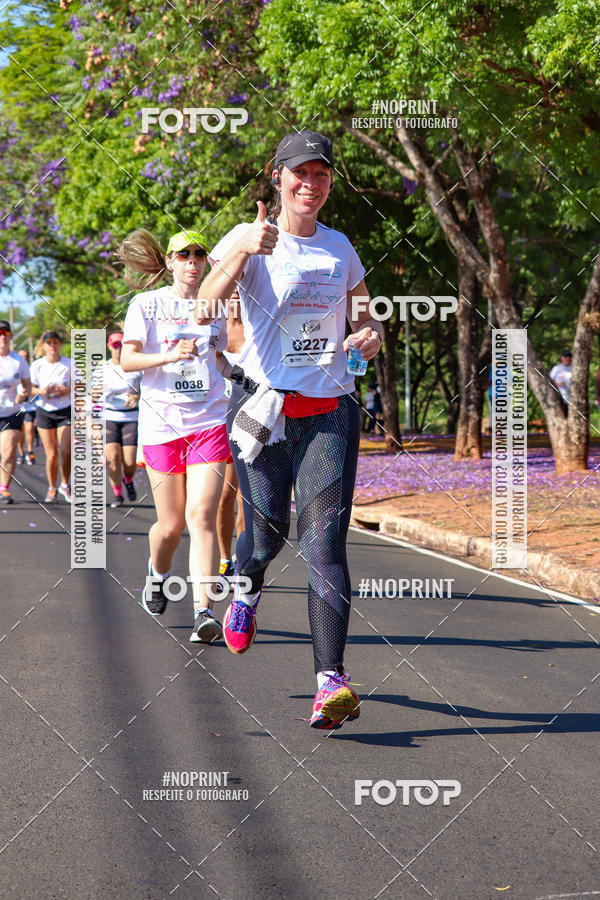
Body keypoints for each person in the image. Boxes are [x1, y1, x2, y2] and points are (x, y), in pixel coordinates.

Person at [198, 129, 383, 729]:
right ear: (277, 178)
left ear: (330, 183)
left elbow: (363, 315)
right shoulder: (249, 238)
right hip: (262, 412)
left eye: (321, 175)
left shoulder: (339, 248)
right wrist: (243, 250)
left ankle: (330, 682)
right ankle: (245, 588)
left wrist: (367, 336)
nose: (310, 184)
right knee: (266, 536)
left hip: (329, 411)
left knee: (324, 544)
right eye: (299, 173)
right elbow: (204, 303)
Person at [119, 229, 230, 644]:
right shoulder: (147, 304)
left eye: (199, 254)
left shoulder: (215, 306)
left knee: (201, 516)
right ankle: (158, 573)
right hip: (162, 425)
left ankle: (204, 612)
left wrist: (236, 372)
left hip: (207, 422)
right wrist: (170, 354)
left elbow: (221, 356)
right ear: (169, 262)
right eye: (183, 255)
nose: (192, 261)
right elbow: (129, 359)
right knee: (169, 526)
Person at [90, 330, 142, 508]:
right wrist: (99, 391)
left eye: (121, 345)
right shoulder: (102, 368)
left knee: (129, 461)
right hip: (109, 416)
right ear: (109, 346)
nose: (118, 349)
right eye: (115, 345)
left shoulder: (136, 366)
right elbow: (92, 394)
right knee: (112, 457)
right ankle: (118, 494)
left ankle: (128, 479)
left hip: (130, 417)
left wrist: (137, 396)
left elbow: (149, 390)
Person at [217, 290, 245, 580]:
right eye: (231, 292)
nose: (235, 296)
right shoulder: (214, 328)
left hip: (254, 416)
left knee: (246, 499)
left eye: (240, 291)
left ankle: (243, 558)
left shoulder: (257, 324)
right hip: (221, 419)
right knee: (226, 494)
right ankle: (225, 557)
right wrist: (241, 379)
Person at [30, 331, 73, 503]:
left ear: (60, 344)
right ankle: (52, 488)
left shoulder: (70, 363)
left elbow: (79, 384)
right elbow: (30, 389)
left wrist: (66, 390)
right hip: (44, 410)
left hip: (65, 409)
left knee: (66, 450)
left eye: (55, 342)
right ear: (43, 346)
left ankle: (64, 484)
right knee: (51, 454)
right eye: (49, 343)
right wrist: (43, 391)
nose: (52, 346)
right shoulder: (37, 365)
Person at [0, 320, 32, 504]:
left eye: (5, 333)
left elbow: (27, 385)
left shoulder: (18, 361)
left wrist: (24, 394)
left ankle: (4, 489)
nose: (2, 336)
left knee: (8, 451)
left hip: (11, 412)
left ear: (11, 336)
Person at [16, 349, 37, 465]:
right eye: (21, 356)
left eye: (25, 356)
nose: (23, 359)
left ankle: (30, 451)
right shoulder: (12, 371)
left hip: (30, 407)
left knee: (29, 428)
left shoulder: (32, 371)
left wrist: (29, 393)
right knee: (19, 432)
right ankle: (21, 453)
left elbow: (38, 390)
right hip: (16, 408)